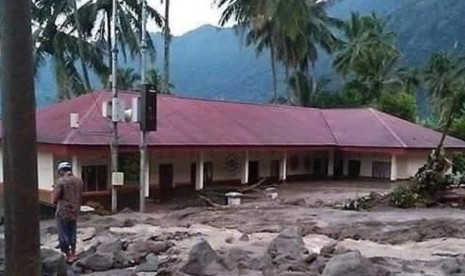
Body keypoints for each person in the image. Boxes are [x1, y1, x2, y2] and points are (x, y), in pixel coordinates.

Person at [52, 161, 82, 263]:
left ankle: (68, 255)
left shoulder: (61, 182)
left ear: (61, 171)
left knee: (63, 234)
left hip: (63, 212)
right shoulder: (79, 181)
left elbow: (54, 199)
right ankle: (73, 253)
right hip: (75, 211)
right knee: (72, 233)